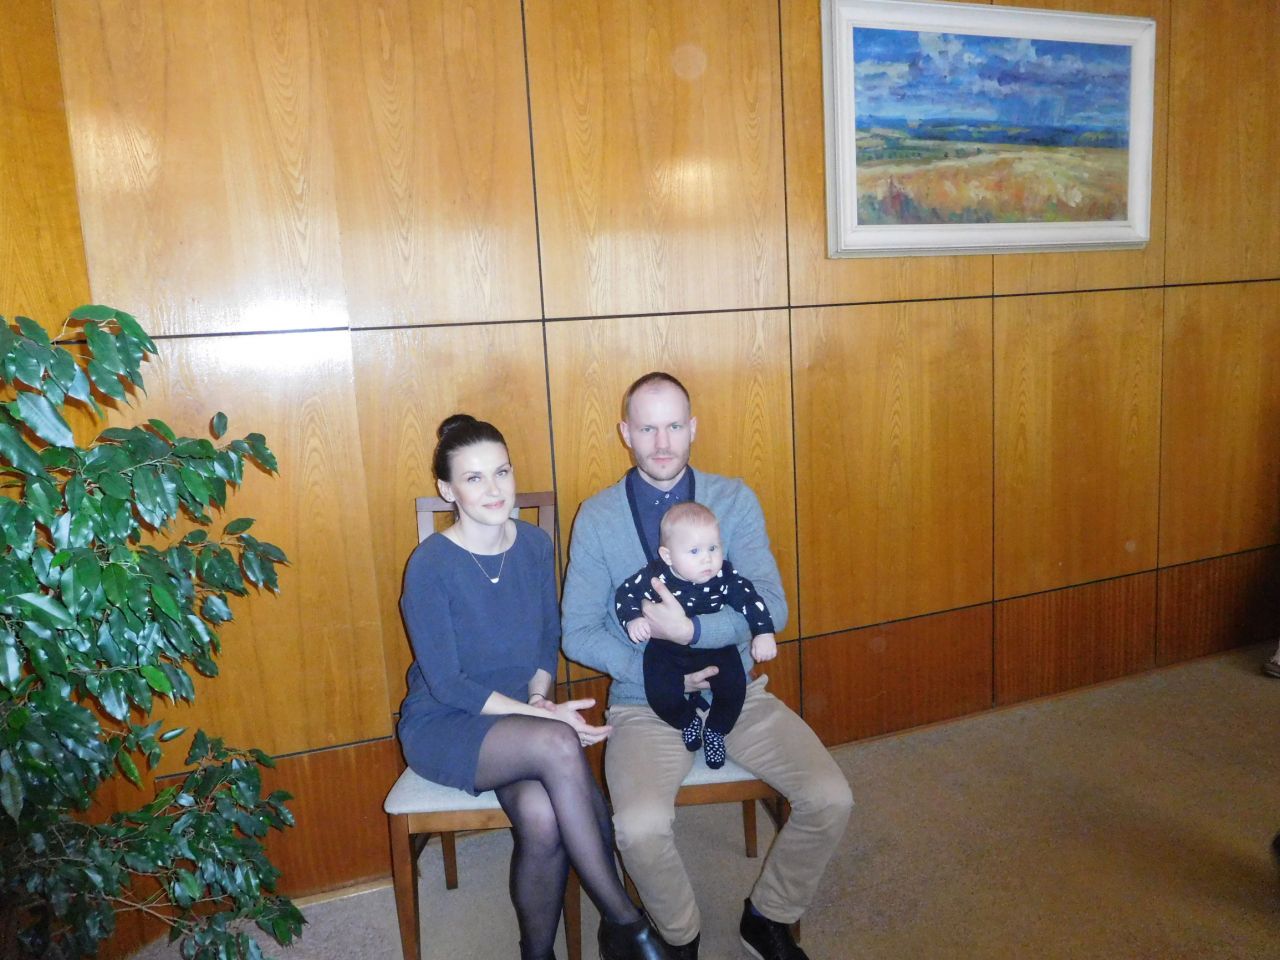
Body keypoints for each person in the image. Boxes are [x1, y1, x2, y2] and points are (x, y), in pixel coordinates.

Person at [562, 373, 854, 960]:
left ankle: (767, 917)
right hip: (644, 704)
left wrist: (694, 633)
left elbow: (772, 605)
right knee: (638, 828)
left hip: (737, 691)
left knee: (831, 797)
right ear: (625, 433)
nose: (662, 442)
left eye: (674, 426)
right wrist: (654, 669)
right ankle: (680, 935)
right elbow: (577, 632)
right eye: (647, 428)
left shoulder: (733, 499)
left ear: (693, 428)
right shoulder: (597, 517)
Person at [398, 415, 671, 960]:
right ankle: (626, 923)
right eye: (473, 478)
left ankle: (539, 953)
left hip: (519, 717)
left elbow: (548, 637)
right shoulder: (429, 565)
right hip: (447, 720)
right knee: (558, 741)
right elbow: (448, 683)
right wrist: (542, 717)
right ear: (447, 490)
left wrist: (541, 697)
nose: (494, 489)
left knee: (544, 818)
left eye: (501, 472)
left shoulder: (534, 545)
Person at [615, 500, 777, 769]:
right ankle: (686, 719)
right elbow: (626, 594)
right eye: (694, 551)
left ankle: (715, 730)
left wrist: (763, 633)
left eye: (713, 548)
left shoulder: (724, 575)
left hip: (716, 648)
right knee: (660, 694)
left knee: (734, 688)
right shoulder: (655, 576)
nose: (707, 559)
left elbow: (751, 600)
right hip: (666, 650)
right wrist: (633, 618)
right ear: (668, 556)